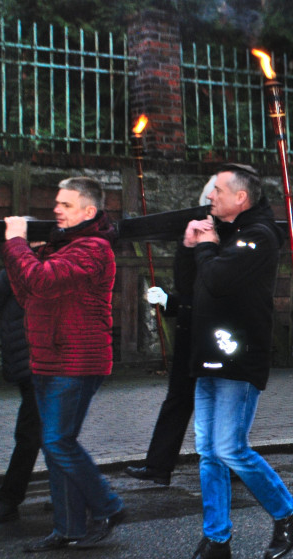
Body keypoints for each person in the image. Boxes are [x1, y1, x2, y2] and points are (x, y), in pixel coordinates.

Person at [172, 163, 293, 559]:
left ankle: (288, 513)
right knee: (208, 452)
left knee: (230, 447)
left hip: (238, 358)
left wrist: (207, 248)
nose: (209, 197)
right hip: (207, 356)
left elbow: (217, 279)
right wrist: (188, 245)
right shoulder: (224, 234)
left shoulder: (260, 237)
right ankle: (217, 540)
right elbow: (192, 286)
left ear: (240, 198)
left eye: (217, 190)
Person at [2, 177, 126, 551]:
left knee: (58, 442)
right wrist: (30, 254)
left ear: (89, 211)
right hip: (48, 358)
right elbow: (28, 293)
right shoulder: (65, 247)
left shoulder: (93, 249)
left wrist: (16, 243)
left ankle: (108, 504)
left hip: (76, 361)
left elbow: (39, 282)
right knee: (54, 443)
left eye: (66, 205)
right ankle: (68, 528)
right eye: (57, 202)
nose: (56, 209)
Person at [126, 178, 227, 486]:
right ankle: (158, 465)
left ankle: (229, 462)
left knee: (221, 401)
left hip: (216, 334)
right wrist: (187, 247)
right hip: (191, 330)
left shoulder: (231, 239)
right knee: (178, 398)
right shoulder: (200, 232)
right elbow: (187, 285)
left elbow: (213, 288)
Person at [0, 266, 41, 523]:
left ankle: (8, 500)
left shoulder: (50, 267)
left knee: (30, 434)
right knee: (50, 435)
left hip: (42, 363)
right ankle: (74, 495)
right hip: (26, 363)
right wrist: (14, 269)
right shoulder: (17, 269)